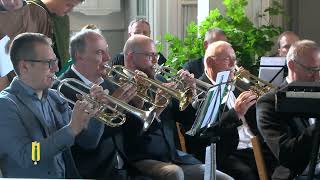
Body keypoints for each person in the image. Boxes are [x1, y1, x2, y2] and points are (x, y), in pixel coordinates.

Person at [121, 34, 233, 180]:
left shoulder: (159, 80)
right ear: (130, 57)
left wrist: (190, 94)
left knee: (224, 179)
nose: (156, 61)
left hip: (173, 156)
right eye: (150, 56)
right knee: (175, 173)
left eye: (156, 55)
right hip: (141, 158)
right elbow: (131, 134)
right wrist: (158, 109)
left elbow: (187, 120)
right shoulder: (120, 87)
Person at [0, 32, 106, 178]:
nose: (56, 69)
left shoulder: (55, 96)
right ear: (24, 66)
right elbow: (28, 155)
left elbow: (89, 142)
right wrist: (70, 129)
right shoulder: (5, 104)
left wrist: (96, 113)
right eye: (49, 63)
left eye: (55, 62)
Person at [54, 29, 146, 179]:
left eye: (107, 51)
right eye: (99, 53)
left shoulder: (109, 82)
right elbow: (83, 144)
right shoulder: (63, 90)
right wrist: (113, 109)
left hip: (125, 166)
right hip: (93, 171)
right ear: (79, 55)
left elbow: (128, 133)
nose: (108, 57)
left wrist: (139, 105)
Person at [185, 41, 278, 180]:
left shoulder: (240, 85)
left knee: (284, 163)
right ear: (210, 62)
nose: (233, 65)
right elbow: (205, 132)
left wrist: (264, 101)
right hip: (227, 151)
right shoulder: (198, 92)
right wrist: (236, 113)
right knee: (246, 174)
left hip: (256, 145)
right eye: (228, 60)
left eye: (235, 60)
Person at [257, 40, 320, 179]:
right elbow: (288, 156)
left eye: (319, 70)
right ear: (292, 65)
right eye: (312, 70)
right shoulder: (269, 103)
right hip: (296, 175)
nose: (317, 77)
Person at [0, 0, 84, 68]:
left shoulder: (64, 19)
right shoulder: (32, 11)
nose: (70, 10)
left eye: (73, 6)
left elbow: (64, 51)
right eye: (68, 5)